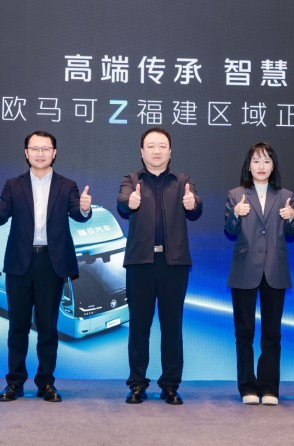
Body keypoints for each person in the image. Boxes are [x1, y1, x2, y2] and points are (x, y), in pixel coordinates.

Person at [0, 130, 92, 403]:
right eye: (35, 148)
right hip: (20, 263)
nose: (40, 153)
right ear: (26, 153)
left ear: (54, 153)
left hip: (51, 264)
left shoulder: (67, 185)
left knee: (48, 328)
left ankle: (46, 383)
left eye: (46, 148)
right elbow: (0, 216)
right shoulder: (13, 184)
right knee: (17, 327)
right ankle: (15, 383)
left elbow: (78, 215)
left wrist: (85, 208)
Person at [117, 127, 202, 405]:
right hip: (140, 263)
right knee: (138, 326)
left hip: (173, 264)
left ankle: (170, 385)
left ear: (170, 151)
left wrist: (192, 203)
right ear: (142, 152)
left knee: (172, 326)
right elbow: (122, 203)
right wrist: (129, 201)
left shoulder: (183, 181)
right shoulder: (131, 179)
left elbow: (196, 206)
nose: (156, 151)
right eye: (151, 146)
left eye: (162, 146)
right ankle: (137, 384)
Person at [224, 142, 294, 406]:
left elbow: (293, 232)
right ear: (249, 166)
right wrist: (236, 214)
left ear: (273, 165)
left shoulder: (286, 195)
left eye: (267, 161)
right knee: (244, 333)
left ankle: (269, 388)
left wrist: (291, 217)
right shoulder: (236, 195)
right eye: (256, 161)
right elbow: (230, 230)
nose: (261, 166)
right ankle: (247, 387)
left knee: (272, 334)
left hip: (275, 269)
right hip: (245, 269)